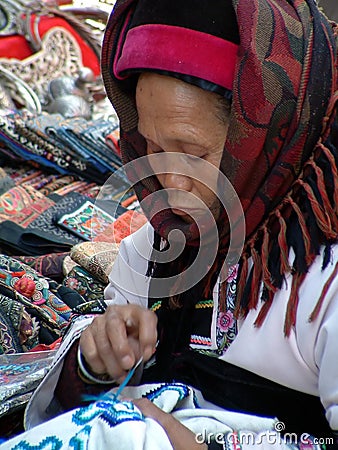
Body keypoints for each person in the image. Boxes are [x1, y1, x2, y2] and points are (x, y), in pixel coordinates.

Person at [22, 0, 338, 448]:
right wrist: (95, 361)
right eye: (151, 147)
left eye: (193, 153)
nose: (167, 180)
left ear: (267, 137)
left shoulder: (327, 282)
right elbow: (73, 414)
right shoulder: (153, 252)